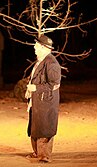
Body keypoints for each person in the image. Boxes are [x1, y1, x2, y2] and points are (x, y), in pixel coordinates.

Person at [25, 35, 61, 163]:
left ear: (44, 48)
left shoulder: (51, 63)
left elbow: (54, 84)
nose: (34, 47)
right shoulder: (40, 61)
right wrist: (30, 90)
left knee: (45, 128)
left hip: (46, 102)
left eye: (37, 45)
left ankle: (44, 155)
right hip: (38, 101)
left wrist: (36, 88)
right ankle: (37, 152)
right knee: (36, 126)